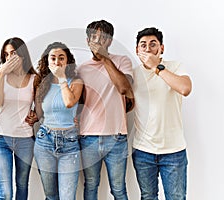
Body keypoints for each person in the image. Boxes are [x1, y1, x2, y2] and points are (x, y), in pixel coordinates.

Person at [132, 27, 192, 200]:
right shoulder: (133, 74)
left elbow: (185, 88)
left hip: (174, 152)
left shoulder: (175, 67)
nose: (148, 49)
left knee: (176, 197)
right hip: (143, 152)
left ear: (162, 48)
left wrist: (156, 67)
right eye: (143, 45)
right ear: (137, 50)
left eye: (153, 44)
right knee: (148, 197)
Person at [77, 19, 134, 200]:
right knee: (91, 186)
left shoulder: (122, 61)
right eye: (94, 37)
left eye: (103, 38)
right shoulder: (82, 69)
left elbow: (124, 88)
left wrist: (105, 59)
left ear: (110, 41)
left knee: (118, 189)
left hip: (116, 137)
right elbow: (80, 102)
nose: (98, 41)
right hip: (88, 137)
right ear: (87, 41)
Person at [33, 42, 83, 200]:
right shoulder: (42, 83)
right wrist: (32, 116)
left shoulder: (76, 81)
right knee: (51, 195)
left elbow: (69, 102)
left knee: (67, 196)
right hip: (44, 141)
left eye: (61, 58)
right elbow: (40, 114)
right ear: (47, 61)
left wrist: (61, 78)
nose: (57, 62)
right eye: (53, 58)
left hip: (69, 143)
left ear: (67, 61)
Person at [0, 37, 38, 200]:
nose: (9, 58)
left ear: (23, 55)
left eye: (13, 53)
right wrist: (2, 73)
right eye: (6, 54)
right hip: (0, 139)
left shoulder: (34, 78)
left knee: (22, 186)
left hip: (25, 139)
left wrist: (36, 115)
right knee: (5, 193)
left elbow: (40, 107)